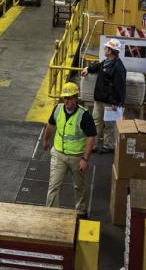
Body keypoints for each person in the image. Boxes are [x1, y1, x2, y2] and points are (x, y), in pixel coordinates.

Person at [42, 82, 96, 218]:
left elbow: (91, 137)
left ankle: (81, 212)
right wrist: (46, 139)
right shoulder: (57, 109)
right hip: (58, 154)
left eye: (71, 98)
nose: (68, 101)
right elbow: (50, 125)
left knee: (79, 187)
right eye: (65, 98)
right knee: (54, 185)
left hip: (77, 158)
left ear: (76, 98)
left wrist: (85, 159)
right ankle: (51, 214)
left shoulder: (84, 115)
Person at [81, 38, 126, 153]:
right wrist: (88, 69)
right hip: (99, 99)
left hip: (109, 102)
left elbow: (120, 87)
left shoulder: (118, 67)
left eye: (106, 48)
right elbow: (98, 67)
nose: (104, 49)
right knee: (96, 121)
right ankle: (94, 145)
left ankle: (109, 146)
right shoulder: (106, 62)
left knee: (109, 125)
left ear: (110, 51)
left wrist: (116, 102)